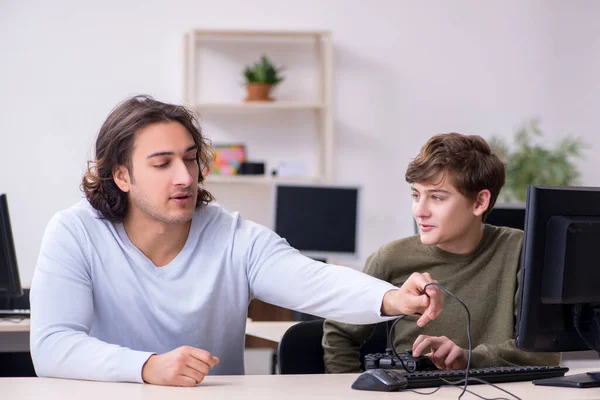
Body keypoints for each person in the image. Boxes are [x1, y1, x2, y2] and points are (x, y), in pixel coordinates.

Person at [29, 95, 443, 387]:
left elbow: (312, 280)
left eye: (190, 158)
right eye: (162, 163)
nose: (185, 177)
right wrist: (147, 367)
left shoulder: (232, 236)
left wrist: (393, 298)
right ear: (121, 175)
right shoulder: (75, 232)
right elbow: (52, 347)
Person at [322, 133, 560, 373]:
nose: (419, 211)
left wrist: (468, 358)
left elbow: (544, 353)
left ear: (479, 202)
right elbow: (340, 335)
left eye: (436, 197)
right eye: (416, 195)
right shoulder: (390, 258)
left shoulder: (520, 251)